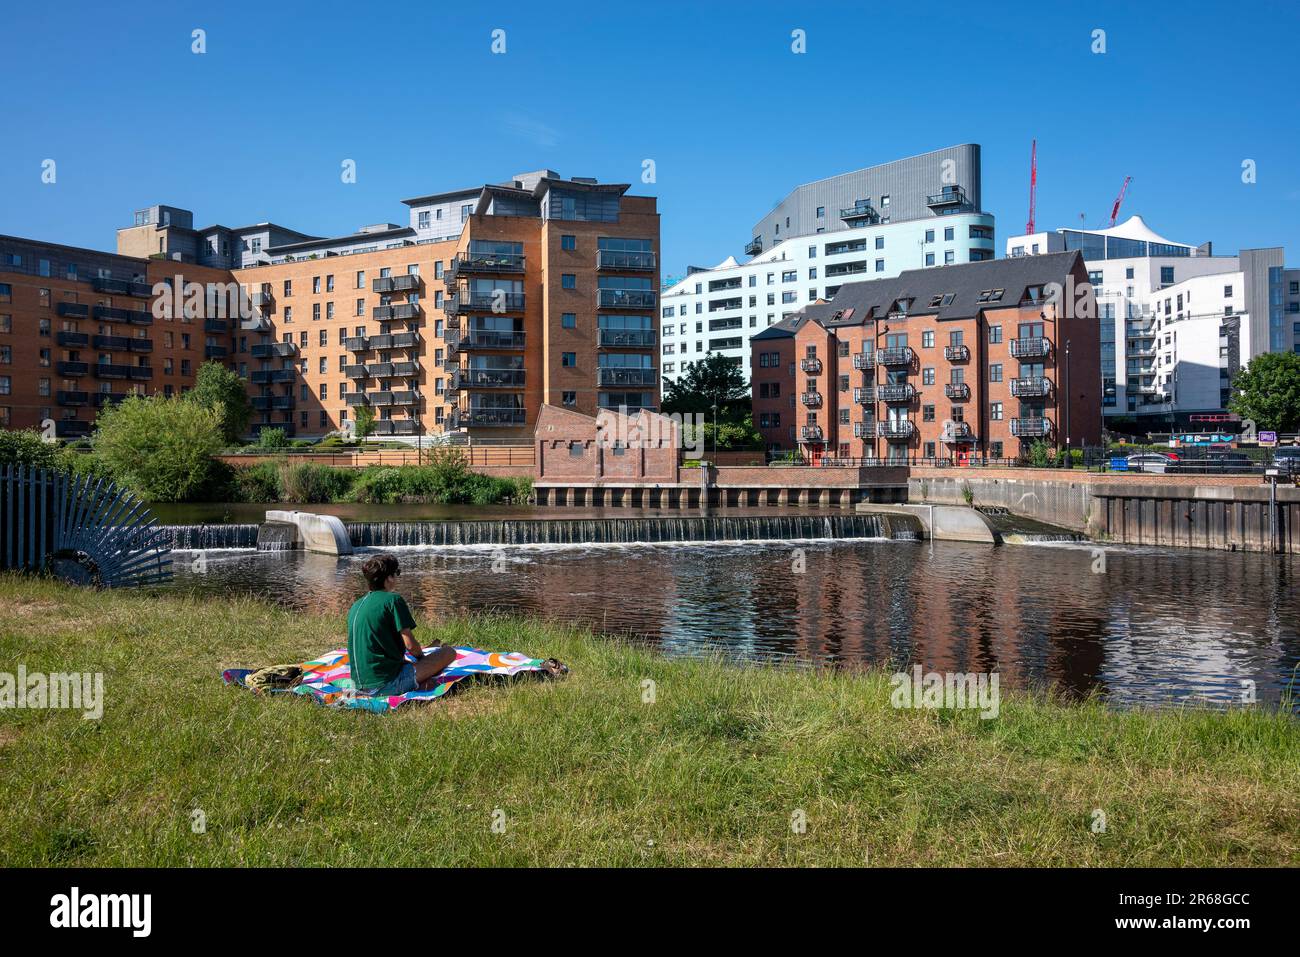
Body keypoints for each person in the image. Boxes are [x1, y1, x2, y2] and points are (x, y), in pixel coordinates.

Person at [346, 555, 455, 696]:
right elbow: (410, 645)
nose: (396, 578)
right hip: (385, 684)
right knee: (448, 652)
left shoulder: (356, 605)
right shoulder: (393, 600)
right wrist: (423, 658)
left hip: (358, 684)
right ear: (389, 578)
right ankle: (415, 682)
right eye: (396, 573)